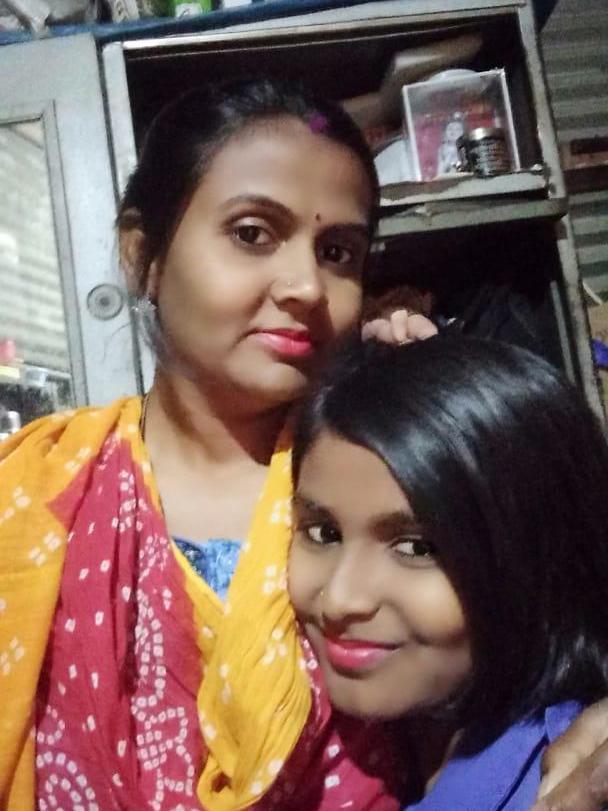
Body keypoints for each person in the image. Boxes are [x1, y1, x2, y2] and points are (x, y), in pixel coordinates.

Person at [0, 76, 605, 811]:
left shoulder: (382, 466)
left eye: (339, 251)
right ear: (142, 255)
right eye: (252, 233)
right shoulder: (38, 489)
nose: (307, 287)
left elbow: (560, 610)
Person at [289, 335, 608, 811]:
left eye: (416, 547)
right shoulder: (381, 740)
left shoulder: (563, 782)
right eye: (323, 533)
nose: (340, 599)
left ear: (537, 557)